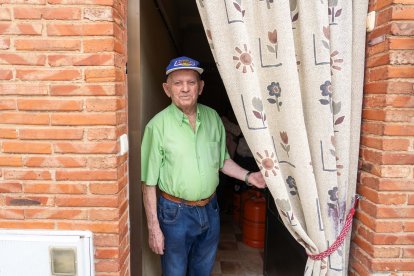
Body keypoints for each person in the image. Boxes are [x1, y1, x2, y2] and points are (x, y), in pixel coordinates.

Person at [141, 56, 266, 276]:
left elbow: (222, 161)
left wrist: (249, 177)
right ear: (167, 89)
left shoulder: (213, 118)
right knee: (175, 272)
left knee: (202, 270)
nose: (185, 88)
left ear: (200, 87)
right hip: (174, 214)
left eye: (191, 82)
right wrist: (154, 228)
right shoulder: (157, 127)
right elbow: (148, 183)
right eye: (178, 83)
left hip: (210, 209)